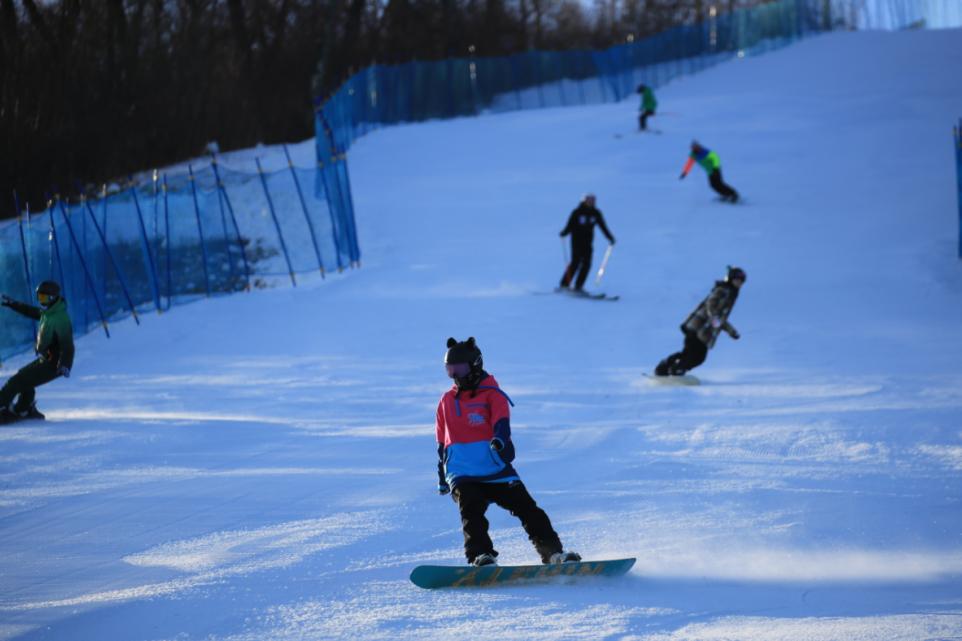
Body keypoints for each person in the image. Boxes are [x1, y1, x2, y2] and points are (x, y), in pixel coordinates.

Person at [437, 337, 581, 567]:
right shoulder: (446, 400)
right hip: (462, 470)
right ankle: (480, 557)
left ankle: (553, 554)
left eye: (460, 368)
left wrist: (500, 443)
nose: (456, 375)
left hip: (496, 468)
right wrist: (441, 475)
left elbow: (502, 425)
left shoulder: (493, 394)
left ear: (475, 365)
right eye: (450, 370)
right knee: (471, 508)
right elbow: (441, 442)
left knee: (528, 508)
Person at [0, 281, 73, 423]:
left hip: (55, 364)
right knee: (23, 376)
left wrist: (65, 364)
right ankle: (23, 410)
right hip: (47, 358)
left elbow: (68, 346)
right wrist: (14, 304)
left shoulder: (60, 318)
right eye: (40, 297)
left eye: (45, 298)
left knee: (17, 381)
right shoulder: (49, 312)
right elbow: (32, 311)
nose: (41, 301)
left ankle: (20, 409)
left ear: (53, 298)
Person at [655, 267, 745, 376]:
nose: (739, 283)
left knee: (688, 353)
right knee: (698, 357)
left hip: (695, 327)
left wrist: (731, 331)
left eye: (741, 281)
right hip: (701, 329)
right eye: (736, 280)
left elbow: (720, 319)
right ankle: (677, 369)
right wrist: (714, 315)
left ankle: (664, 367)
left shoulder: (728, 293)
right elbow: (712, 302)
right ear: (729, 279)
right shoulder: (724, 290)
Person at [559, 194, 615, 293]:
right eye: (588, 201)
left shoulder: (596, 213)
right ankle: (564, 285)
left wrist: (609, 237)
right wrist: (565, 232)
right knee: (575, 263)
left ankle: (578, 286)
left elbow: (602, 226)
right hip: (576, 241)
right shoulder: (577, 212)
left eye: (592, 202)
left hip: (588, 242)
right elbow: (570, 225)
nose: (590, 203)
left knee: (587, 264)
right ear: (584, 202)